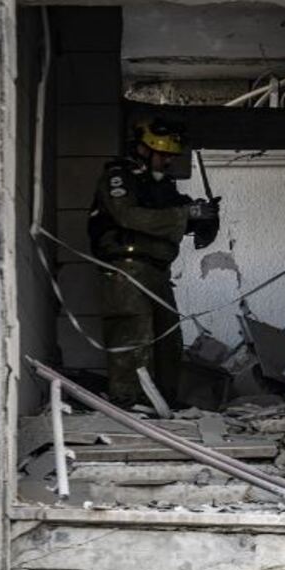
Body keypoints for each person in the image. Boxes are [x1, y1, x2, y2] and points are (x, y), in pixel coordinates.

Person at [87, 118, 219, 406]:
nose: (167, 162)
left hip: (158, 272)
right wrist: (185, 214)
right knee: (135, 334)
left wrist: (202, 219)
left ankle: (163, 405)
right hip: (128, 269)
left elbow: (174, 216)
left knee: (167, 342)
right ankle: (130, 404)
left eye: (172, 156)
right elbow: (128, 216)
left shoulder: (162, 186)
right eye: (163, 155)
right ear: (143, 150)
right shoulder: (119, 177)